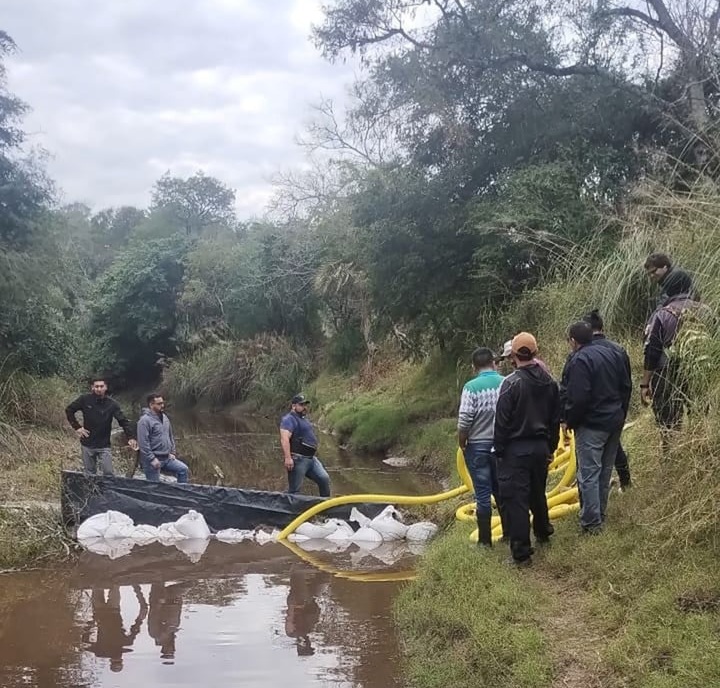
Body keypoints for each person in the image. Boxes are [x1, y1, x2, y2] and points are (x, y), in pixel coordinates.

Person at [493, 332, 560, 567]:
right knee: (537, 492)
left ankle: (521, 554)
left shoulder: (510, 384)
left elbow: (501, 423)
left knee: (516, 500)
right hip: (541, 447)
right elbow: (554, 420)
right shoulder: (550, 382)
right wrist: (551, 447)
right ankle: (543, 532)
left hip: (515, 450)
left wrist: (499, 451)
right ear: (535, 353)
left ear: (513, 356)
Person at [564, 321, 631, 535]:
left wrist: (570, 421)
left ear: (574, 341)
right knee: (604, 470)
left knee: (589, 473)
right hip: (614, 420)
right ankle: (600, 514)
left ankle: (591, 523)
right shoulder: (614, 352)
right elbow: (626, 386)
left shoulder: (579, 360)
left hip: (592, 424)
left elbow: (579, 398)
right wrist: (621, 414)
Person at [640, 291, 704, 450]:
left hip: (666, 372)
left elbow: (652, 350)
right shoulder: (705, 310)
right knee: (699, 411)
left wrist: (645, 383)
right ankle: (700, 447)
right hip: (699, 370)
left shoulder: (663, 313)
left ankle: (671, 452)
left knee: (667, 416)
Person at [457, 347, 506, 547]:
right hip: (502, 446)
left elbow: (465, 419)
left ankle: (485, 541)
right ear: (494, 363)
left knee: (483, 494)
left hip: (477, 447)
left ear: (473, 367)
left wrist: (462, 441)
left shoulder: (471, 387)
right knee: (502, 490)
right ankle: (509, 533)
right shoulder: (506, 383)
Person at [583, 310, 632, 490]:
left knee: (590, 458)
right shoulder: (618, 349)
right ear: (602, 327)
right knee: (614, 445)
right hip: (615, 410)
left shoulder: (582, 352)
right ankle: (625, 480)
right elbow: (626, 384)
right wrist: (623, 411)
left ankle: (594, 500)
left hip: (592, 416)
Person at [65, 378, 138, 477]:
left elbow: (123, 421)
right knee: (90, 474)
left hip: (104, 445)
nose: (99, 389)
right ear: (92, 388)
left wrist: (130, 437)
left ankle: (108, 492)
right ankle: (92, 492)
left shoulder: (112, 404)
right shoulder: (85, 399)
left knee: (108, 473)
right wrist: (77, 427)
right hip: (87, 443)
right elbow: (69, 410)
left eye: (101, 386)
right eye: (96, 386)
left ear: (106, 387)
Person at [279, 394, 331, 497]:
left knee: (324, 479)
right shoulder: (289, 419)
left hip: (311, 459)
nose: (304, 407)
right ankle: (289, 511)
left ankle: (326, 507)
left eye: (305, 405)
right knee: (294, 490)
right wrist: (288, 458)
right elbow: (284, 439)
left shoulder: (303, 419)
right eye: (301, 405)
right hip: (298, 459)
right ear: (294, 406)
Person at [136, 394, 189, 483]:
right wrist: (152, 459)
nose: (162, 405)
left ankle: (181, 494)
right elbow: (143, 443)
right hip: (151, 460)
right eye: (159, 404)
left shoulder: (165, 418)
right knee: (154, 488)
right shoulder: (144, 421)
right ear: (151, 405)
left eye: (162, 403)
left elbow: (170, 435)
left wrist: (172, 452)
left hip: (167, 458)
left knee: (183, 469)